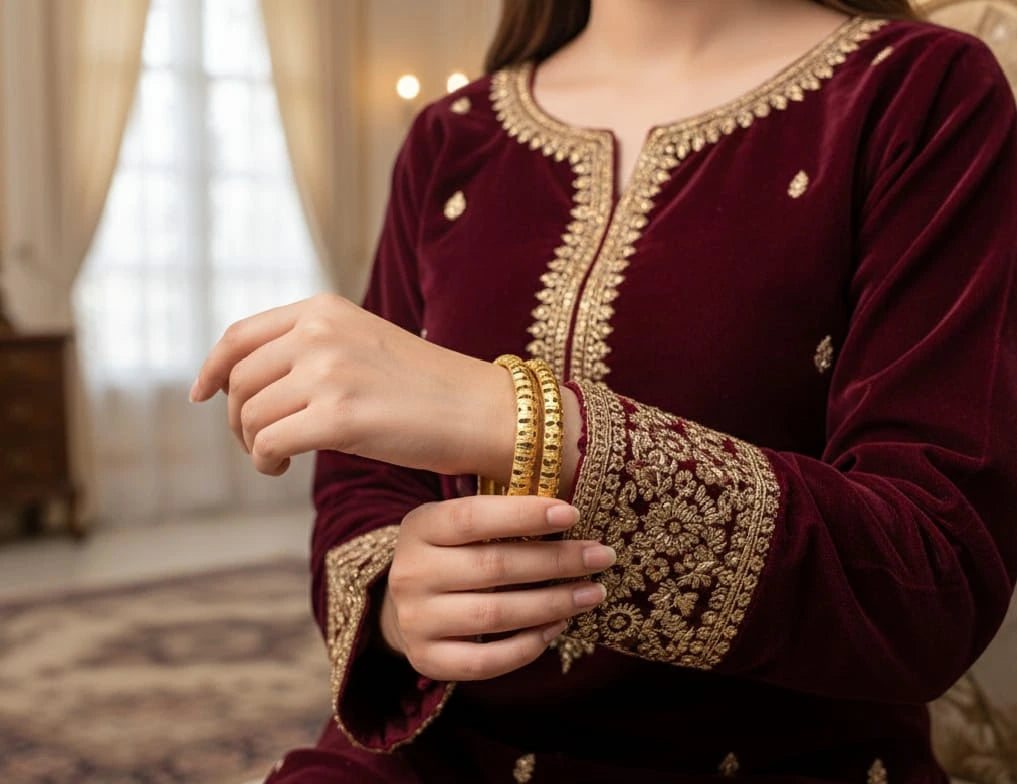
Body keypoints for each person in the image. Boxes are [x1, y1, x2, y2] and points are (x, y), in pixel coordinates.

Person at [191, 0, 1017, 780]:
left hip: (782, 756)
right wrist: (394, 609)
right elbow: (362, 490)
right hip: (435, 753)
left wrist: (514, 419)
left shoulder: (921, 89)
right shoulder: (451, 135)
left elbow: (931, 576)